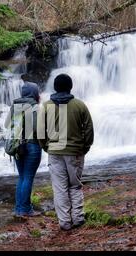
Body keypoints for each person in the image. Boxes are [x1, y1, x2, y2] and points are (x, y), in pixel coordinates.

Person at [39, 74, 94, 231]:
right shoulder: (79, 105)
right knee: (75, 185)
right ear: (70, 87)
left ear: (55, 87)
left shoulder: (47, 106)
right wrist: (85, 147)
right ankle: (78, 218)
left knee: (59, 188)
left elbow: (40, 132)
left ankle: (64, 222)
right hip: (75, 152)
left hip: (54, 153)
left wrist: (46, 147)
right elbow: (89, 129)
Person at [5, 82, 42, 218]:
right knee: (28, 177)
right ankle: (25, 210)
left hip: (16, 146)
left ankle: (19, 208)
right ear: (34, 93)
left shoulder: (14, 106)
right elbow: (37, 128)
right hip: (31, 145)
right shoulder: (35, 107)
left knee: (22, 177)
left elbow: (7, 124)